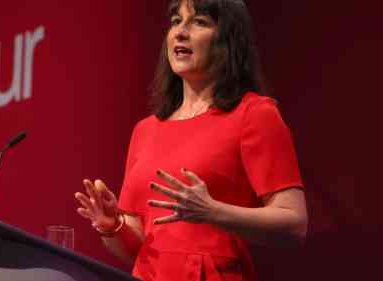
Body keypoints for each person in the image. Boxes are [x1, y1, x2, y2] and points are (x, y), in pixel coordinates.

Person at [74, 0, 308, 280]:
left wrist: (212, 211)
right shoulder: (145, 130)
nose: (180, 32)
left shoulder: (254, 114)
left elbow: (294, 225)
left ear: (227, 40)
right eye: (175, 21)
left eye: (199, 22)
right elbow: (141, 248)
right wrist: (112, 225)